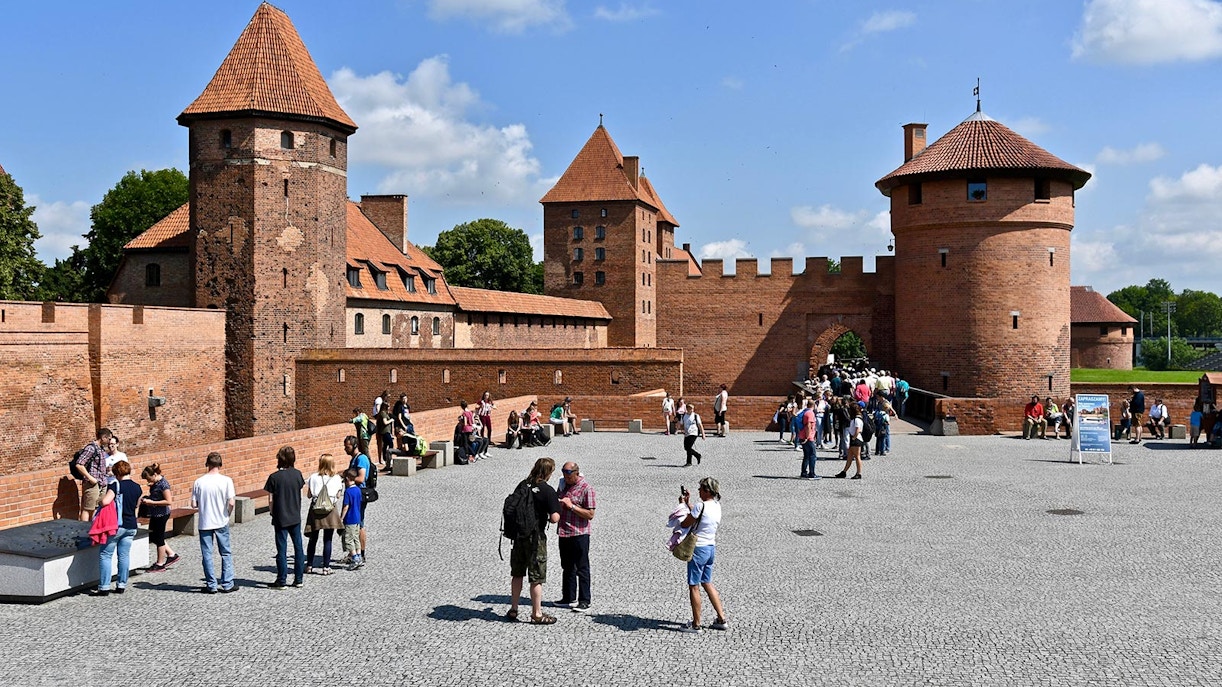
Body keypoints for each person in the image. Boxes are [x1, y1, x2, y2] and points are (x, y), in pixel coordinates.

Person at [507, 457, 562, 625]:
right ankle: (536, 613)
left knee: (517, 573)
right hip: (535, 537)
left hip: (518, 536)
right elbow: (554, 518)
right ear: (549, 472)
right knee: (536, 577)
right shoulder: (547, 490)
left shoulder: (523, 484)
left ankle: (514, 608)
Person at [678, 477, 728, 633]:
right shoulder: (716, 505)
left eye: (700, 488)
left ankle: (696, 624)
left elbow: (685, 523)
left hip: (698, 548)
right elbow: (699, 515)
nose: (698, 490)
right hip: (710, 547)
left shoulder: (700, 506)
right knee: (707, 582)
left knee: (694, 586)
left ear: (707, 490)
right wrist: (688, 503)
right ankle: (721, 619)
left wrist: (681, 505)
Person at [90, 459, 142, 596]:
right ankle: (121, 585)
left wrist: (99, 501)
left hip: (117, 526)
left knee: (105, 555)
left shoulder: (116, 485)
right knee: (124, 555)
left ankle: (104, 587)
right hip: (131, 525)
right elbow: (136, 506)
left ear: (117, 473)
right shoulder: (137, 487)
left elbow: (106, 501)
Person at [192, 452, 237, 594]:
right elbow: (231, 502)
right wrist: (227, 514)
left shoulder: (199, 482)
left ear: (207, 464)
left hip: (205, 522)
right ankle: (227, 583)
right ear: (220, 464)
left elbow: (194, 504)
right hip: (221, 520)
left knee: (207, 554)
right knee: (225, 552)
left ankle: (211, 585)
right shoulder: (226, 481)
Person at [556, 461, 596, 612]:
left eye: (568, 473)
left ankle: (585, 600)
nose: (565, 476)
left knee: (582, 567)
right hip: (564, 532)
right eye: (563, 472)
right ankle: (568, 597)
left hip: (580, 533)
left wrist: (571, 506)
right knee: (567, 567)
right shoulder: (562, 485)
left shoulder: (587, 489)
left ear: (576, 473)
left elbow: (590, 514)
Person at [264, 446, 305, 589]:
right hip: (295, 515)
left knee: (281, 549)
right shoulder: (298, 474)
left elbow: (270, 499)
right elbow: (299, 493)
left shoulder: (274, 477)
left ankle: (281, 580)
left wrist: (272, 512)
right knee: (298, 548)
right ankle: (299, 579)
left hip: (281, 516)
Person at [304, 453, 343, 575]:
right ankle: (326, 567)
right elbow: (338, 495)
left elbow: (309, 495)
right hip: (330, 510)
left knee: (313, 539)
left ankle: (309, 565)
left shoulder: (313, 477)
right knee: (328, 539)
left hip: (315, 510)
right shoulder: (337, 478)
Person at [140, 464, 180, 573]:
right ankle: (171, 554)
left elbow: (168, 501)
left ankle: (160, 563)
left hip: (161, 515)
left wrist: (152, 502)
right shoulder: (156, 483)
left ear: (155, 474)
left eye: (149, 478)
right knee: (153, 536)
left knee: (159, 538)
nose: (148, 481)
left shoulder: (163, 485)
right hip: (155, 514)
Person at [72, 427, 113, 521]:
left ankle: (94, 528)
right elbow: (79, 464)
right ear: (103, 437)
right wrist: (90, 478)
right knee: (88, 508)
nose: (109, 442)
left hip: (102, 482)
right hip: (92, 483)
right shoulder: (91, 448)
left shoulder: (101, 449)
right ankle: (84, 530)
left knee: (96, 508)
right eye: (109, 439)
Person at [343, 436, 373, 561]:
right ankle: (353, 553)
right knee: (355, 525)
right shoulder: (355, 459)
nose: (345, 449)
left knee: (359, 524)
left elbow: (361, 478)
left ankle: (361, 553)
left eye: (347, 446)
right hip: (355, 494)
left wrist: (347, 477)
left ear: (354, 446)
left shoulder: (361, 459)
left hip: (359, 495)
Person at [340, 468, 364, 570]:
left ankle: (354, 558)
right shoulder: (358, 490)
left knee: (348, 539)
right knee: (356, 538)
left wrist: (341, 518)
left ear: (347, 479)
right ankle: (359, 555)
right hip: (357, 518)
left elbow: (346, 506)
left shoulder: (348, 492)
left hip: (350, 519)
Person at [835, 404, 865, 480]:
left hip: (856, 439)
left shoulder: (857, 419)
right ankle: (844, 472)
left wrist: (854, 438)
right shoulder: (855, 419)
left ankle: (859, 473)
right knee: (849, 457)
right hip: (854, 438)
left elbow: (858, 430)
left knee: (857, 457)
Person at [798, 399, 819, 479]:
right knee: (812, 455)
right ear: (814, 405)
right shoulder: (810, 413)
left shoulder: (804, 411)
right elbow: (808, 426)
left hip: (802, 436)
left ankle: (803, 472)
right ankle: (812, 473)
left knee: (806, 455)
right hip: (808, 438)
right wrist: (807, 437)